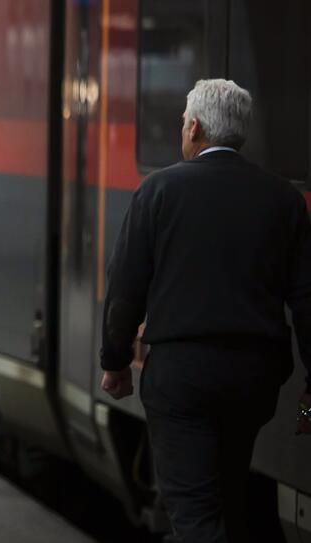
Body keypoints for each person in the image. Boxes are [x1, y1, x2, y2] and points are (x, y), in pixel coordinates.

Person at [100, 79, 311, 543]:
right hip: (254, 381)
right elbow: (306, 300)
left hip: (182, 378)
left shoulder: (158, 191)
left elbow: (125, 290)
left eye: (182, 123)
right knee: (229, 493)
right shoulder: (283, 200)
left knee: (193, 512)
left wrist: (115, 363)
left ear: (194, 128)